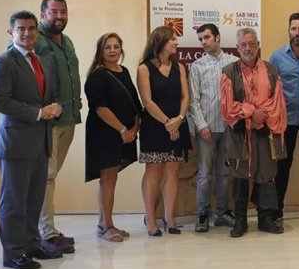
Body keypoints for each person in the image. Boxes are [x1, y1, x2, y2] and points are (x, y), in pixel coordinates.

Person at [0, 10, 62, 269]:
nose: (27, 33)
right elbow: (0, 101)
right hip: (16, 143)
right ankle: (13, 253)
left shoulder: (41, 61)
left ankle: (32, 245)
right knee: (14, 201)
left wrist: (55, 107)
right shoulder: (3, 62)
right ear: (11, 32)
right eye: (21, 29)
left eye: (32, 28)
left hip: (41, 142)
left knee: (33, 200)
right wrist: (39, 113)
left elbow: (47, 95)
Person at [221, 27, 288, 237]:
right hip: (240, 134)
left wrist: (261, 116)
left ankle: (265, 219)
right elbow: (227, 106)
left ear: (258, 45)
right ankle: (240, 221)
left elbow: (277, 102)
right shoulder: (229, 72)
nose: (248, 48)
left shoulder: (271, 70)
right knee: (240, 174)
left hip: (266, 132)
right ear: (237, 48)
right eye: (244, 44)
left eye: (252, 44)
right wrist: (251, 112)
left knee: (266, 173)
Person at [33, 0, 80, 255]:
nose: (59, 16)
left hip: (69, 118)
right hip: (49, 121)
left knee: (50, 177)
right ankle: (46, 233)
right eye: (54, 12)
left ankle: (45, 228)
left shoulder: (67, 41)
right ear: (42, 15)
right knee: (46, 177)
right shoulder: (36, 40)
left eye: (63, 11)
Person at [83, 33, 140, 243]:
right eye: (108, 47)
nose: (113, 50)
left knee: (112, 178)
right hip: (105, 133)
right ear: (101, 51)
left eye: (116, 46)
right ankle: (107, 225)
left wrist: (134, 128)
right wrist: (123, 130)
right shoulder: (97, 76)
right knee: (107, 178)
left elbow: (134, 102)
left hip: (125, 133)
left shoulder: (124, 71)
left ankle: (103, 223)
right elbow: (100, 108)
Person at [136, 26, 191, 236]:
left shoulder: (179, 67)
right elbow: (147, 101)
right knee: (153, 171)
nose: (176, 43)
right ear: (160, 42)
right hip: (155, 127)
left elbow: (185, 96)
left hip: (177, 124)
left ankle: (170, 218)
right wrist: (168, 123)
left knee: (173, 170)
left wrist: (179, 119)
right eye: (172, 39)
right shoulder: (144, 68)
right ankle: (151, 219)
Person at [187, 23, 238, 233]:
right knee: (205, 174)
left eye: (207, 37)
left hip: (228, 128)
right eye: (201, 39)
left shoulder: (234, 62)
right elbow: (193, 101)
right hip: (206, 130)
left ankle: (222, 213)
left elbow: (239, 94)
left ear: (217, 38)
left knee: (224, 173)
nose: (203, 42)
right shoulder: (197, 66)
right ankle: (202, 214)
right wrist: (202, 126)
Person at [269, 12, 299, 224]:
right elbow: (270, 88)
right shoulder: (277, 57)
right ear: (289, 30)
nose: (298, 33)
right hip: (284, 120)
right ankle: (276, 209)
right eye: (294, 29)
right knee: (282, 167)